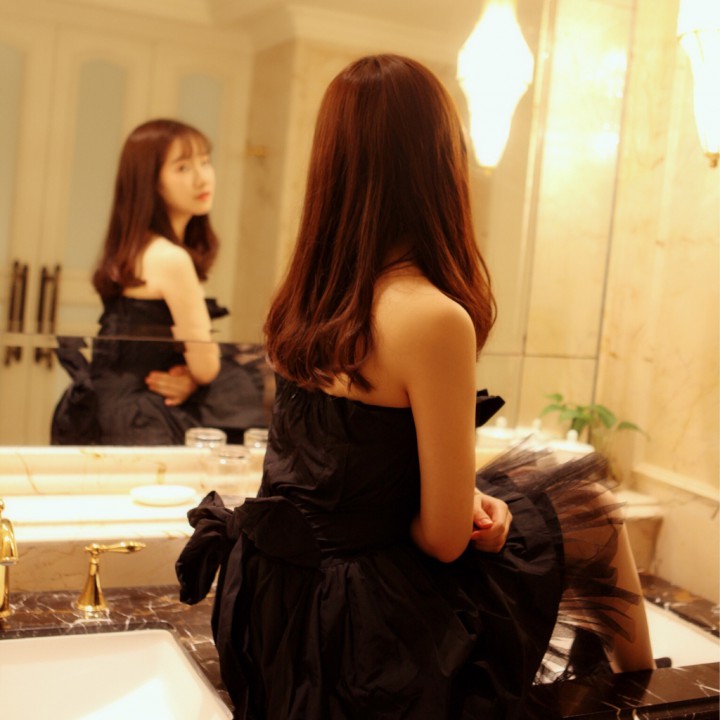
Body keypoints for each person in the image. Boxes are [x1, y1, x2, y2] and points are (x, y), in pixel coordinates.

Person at [176, 55, 655, 719]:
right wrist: (464, 516)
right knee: (592, 508)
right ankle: (655, 700)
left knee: (549, 502)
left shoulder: (300, 301)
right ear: (437, 163)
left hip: (269, 609)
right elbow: (442, 540)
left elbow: (335, 471)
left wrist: (462, 499)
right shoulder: (431, 317)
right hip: (359, 634)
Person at [52, 119, 269, 445]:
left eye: (205, 162)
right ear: (150, 183)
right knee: (260, 389)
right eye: (183, 167)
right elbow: (206, 368)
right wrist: (194, 376)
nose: (202, 177)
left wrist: (190, 376)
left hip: (103, 409)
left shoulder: (136, 249)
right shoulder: (171, 259)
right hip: (142, 417)